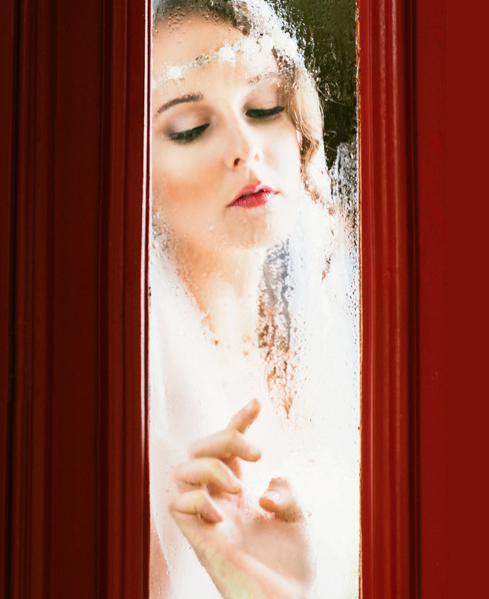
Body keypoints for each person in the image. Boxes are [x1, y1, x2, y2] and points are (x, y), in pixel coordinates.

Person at [147, 1, 360, 598]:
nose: (245, 146)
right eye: (189, 127)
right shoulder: (131, 399)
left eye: (264, 107)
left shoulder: (345, 322)